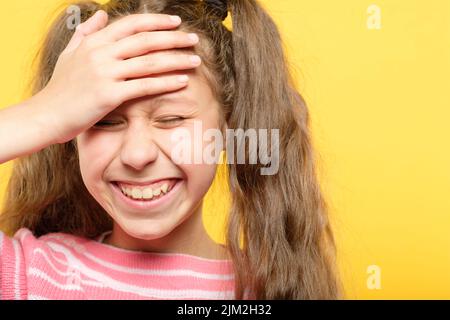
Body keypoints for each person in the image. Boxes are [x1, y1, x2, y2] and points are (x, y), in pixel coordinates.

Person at [0, 0, 341, 299]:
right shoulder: (28, 275)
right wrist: (45, 113)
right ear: (70, 133)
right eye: (104, 121)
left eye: (172, 118)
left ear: (229, 127)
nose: (137, 155)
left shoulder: (268, 289)